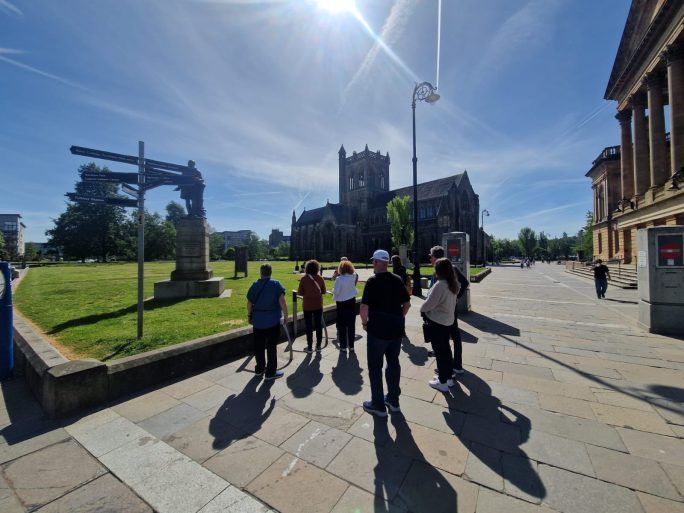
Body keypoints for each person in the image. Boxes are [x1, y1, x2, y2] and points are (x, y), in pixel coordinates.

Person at [360, 249, 411, 417]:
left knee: (375, 367)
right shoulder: (397, 280)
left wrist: (364, 323)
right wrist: (398, 317)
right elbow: (407, 304)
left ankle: (378, 405)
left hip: (377, 330)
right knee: (393, 363)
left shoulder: (372, 281)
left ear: (376, 262)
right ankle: (393, 400)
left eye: (373, 261)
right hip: (395, 330)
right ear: (387, 262)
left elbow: (364, 307)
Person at [427, 246, 469, 374]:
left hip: (448, 309)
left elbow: (465, 283)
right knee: (444, 336)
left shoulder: (451, 268)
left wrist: (456, 297)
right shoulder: (436, 271)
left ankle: (453, 366)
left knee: (452, 335)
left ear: (435, 257)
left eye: (431, 256)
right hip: (438, 311)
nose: (429, 258)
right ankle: (447, 363)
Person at [421, 258, 460, 392]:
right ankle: (448, 378)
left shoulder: (440, 285)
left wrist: (422, 308)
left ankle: (442, 382)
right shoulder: (453, 283)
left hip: (438, 322)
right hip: (448, 321)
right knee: (446, 350)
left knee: (440, 352)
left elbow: (429, 304)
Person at [246, 264, 288, 380]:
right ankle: (270, 372)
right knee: (271, 347)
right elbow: (282, 301)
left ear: (261, 272)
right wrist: (286, 315)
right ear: (271, 272)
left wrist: (249, 315)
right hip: (272, 321)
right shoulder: (276, 284)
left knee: (258, 346)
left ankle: (259, 369)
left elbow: (249, 303)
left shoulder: (255, 285)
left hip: (258, 321)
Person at [297, 259, 327, 352]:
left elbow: (300, 293)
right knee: (318, 325)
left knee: (308, 326)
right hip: (318, 305)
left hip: (307, 306)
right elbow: (324, 291)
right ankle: (318, 346)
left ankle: (309, 346)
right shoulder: (320, 278)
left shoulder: (304, 279)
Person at [332, 259, 358, 352]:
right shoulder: (353, 276)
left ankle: (343, 346)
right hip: (351, 302)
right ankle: (351, 346)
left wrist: (333, 291)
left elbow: (336, 291)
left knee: (342, 325)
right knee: (351, 325)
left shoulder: (340, 279)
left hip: (341, 303)